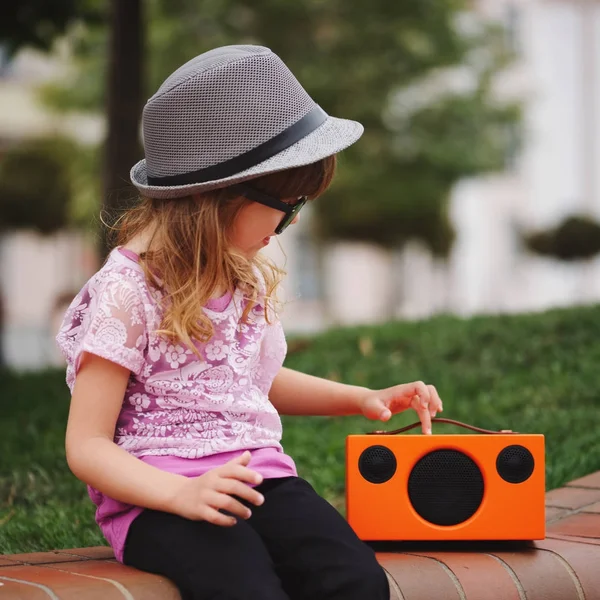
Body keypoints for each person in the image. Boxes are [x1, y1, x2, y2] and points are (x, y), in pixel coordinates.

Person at [56, 45, 443, 600]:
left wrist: (361, 397)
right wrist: (181, 495)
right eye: (288, 204)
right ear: (220, 194)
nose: (290, 221)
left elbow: (248, 381)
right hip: (159, 499)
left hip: (260, 478)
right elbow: (87, 446)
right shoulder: (128, 290)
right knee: (246, 587)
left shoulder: (242, 278)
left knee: (355, 579)